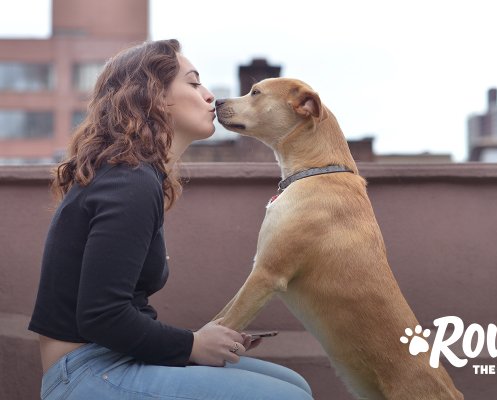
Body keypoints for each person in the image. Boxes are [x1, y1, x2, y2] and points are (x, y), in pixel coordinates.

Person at [28, 39, 313, 400]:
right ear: (155, 96)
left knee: (296, 385)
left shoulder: (136, 176)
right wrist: (192, 345)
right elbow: (101, 316)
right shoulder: (127, 182)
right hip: (85, 373)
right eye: (193, 83)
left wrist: (200, 343)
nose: (210, 96)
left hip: (113, 359)